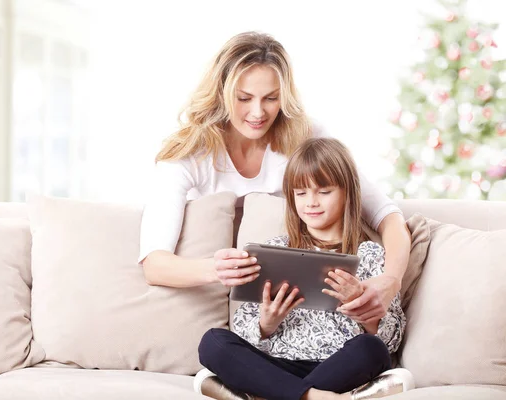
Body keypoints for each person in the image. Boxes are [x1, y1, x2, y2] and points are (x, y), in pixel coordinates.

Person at [139, 31, 411, 324]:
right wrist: (215, 270)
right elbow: (155, 263)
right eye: (244, 98)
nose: (258, 112)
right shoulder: (188, 155)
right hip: (251, 315)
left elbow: (387, 215)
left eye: (271, 98)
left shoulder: (306, 136)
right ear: (222, 93)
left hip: (303, 312)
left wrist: (391, 279)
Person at [195, 137, 413, 400]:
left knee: (371, 350)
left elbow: (391, 340)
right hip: (277, 365)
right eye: (301, 193)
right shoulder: (273, 251)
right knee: (214, 343)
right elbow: (242, 328)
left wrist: (364, 311)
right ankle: (315, 397)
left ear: (347, 192)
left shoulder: (371, 256)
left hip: (336, 367)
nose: (311, 202)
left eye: (323, 192)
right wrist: (266, 323)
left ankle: (269, 395)